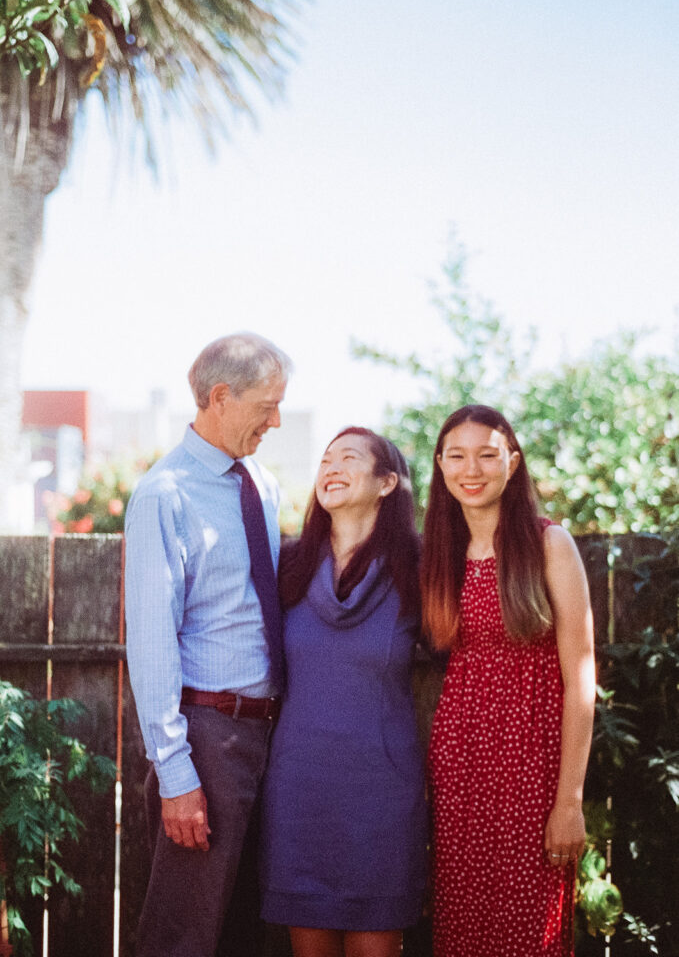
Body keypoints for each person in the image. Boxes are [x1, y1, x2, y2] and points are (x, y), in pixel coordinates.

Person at [124, 331, 292, 957]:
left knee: (247, 933)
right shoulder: (164, 496)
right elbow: (150, 642)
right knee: (183, 937)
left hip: (269, 735)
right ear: (220, 397)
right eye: (266, 406)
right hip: (207, 737)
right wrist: (176, 774)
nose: (276, 420)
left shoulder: (262, 486)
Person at [422, 405, 596, 957]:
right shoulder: (440, 553)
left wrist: (569, 798)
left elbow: (582, 676)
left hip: (533, 760)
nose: (471, 468)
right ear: (440, 466)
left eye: (487, 454)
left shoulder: (550, 545)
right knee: (463, 924)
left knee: (529, 926)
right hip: (460, 761)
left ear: (512, 463)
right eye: (457, 455)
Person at [259, 427, 428, 957]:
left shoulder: (419, 568)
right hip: (300, 788)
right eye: (325, 459)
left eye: (349, 458)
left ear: (387, 483)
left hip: (382, 792)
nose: (330, 466)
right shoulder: (287, 564)